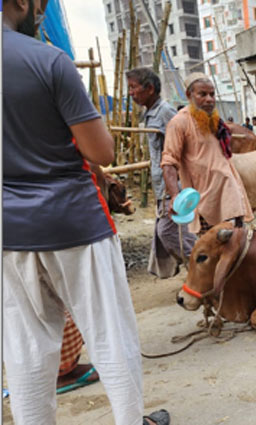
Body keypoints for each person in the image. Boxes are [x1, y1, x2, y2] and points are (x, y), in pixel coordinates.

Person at [2, 1, 169, 424]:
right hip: (74, 221)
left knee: (25, 354)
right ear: (22, 3)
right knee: (111, 337)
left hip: (8, 234)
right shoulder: (48, 60)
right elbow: (100, 150)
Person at [161, 73, 254, 236]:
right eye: (202, 94)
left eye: (212, 94)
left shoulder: (215, 121)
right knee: (211, 251)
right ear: (189, 95)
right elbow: (169, 162)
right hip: (205, 200)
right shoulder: (179, 123)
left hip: (230, 192)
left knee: (237, 243)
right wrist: (175, 196)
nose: (209, 99)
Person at [126, 67, 196, 278]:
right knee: (174, 231)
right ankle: (199, 268)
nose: (131, 93)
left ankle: (204, 268)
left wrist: (175, 190)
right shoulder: (150, 113)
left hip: (172, 186)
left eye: (133, 87)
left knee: (167, 231)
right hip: (162, 187)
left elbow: (182, 146)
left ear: (149, 88)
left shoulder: (165, 113)